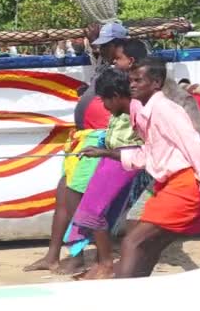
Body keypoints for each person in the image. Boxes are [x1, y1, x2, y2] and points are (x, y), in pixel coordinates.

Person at [81, 57, 200, 278]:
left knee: (132, 242)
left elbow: (192, 143)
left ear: (156, 83)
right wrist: (104, 153)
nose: (132, 85)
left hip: (185, 184)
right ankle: (136, 292)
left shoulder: (164, 109)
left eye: (138, 80)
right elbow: (148, 155)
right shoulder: (147, 111)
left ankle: (125, 295)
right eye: (131, 80)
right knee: (146, 246)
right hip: (171, 183)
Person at [23, 22, 127, 274]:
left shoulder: (127, 70)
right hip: (83, 138)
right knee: (63, 195)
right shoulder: (107, 66)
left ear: (117, 46)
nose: (100, 50)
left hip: (100, 138)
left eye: (105, 46)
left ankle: (79, 255)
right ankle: (53, 255)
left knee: (79, 200)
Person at [65, 68, 143, 280]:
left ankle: (106, 264)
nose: (106, 108)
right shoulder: (124, 111)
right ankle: (102, 262)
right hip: (112, 158)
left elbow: (136, 146)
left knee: (93, 212)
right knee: (96, 212)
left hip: (122, 161)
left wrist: (103, 152)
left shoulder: (139, 111)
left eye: (105, 101)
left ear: (116, 96)